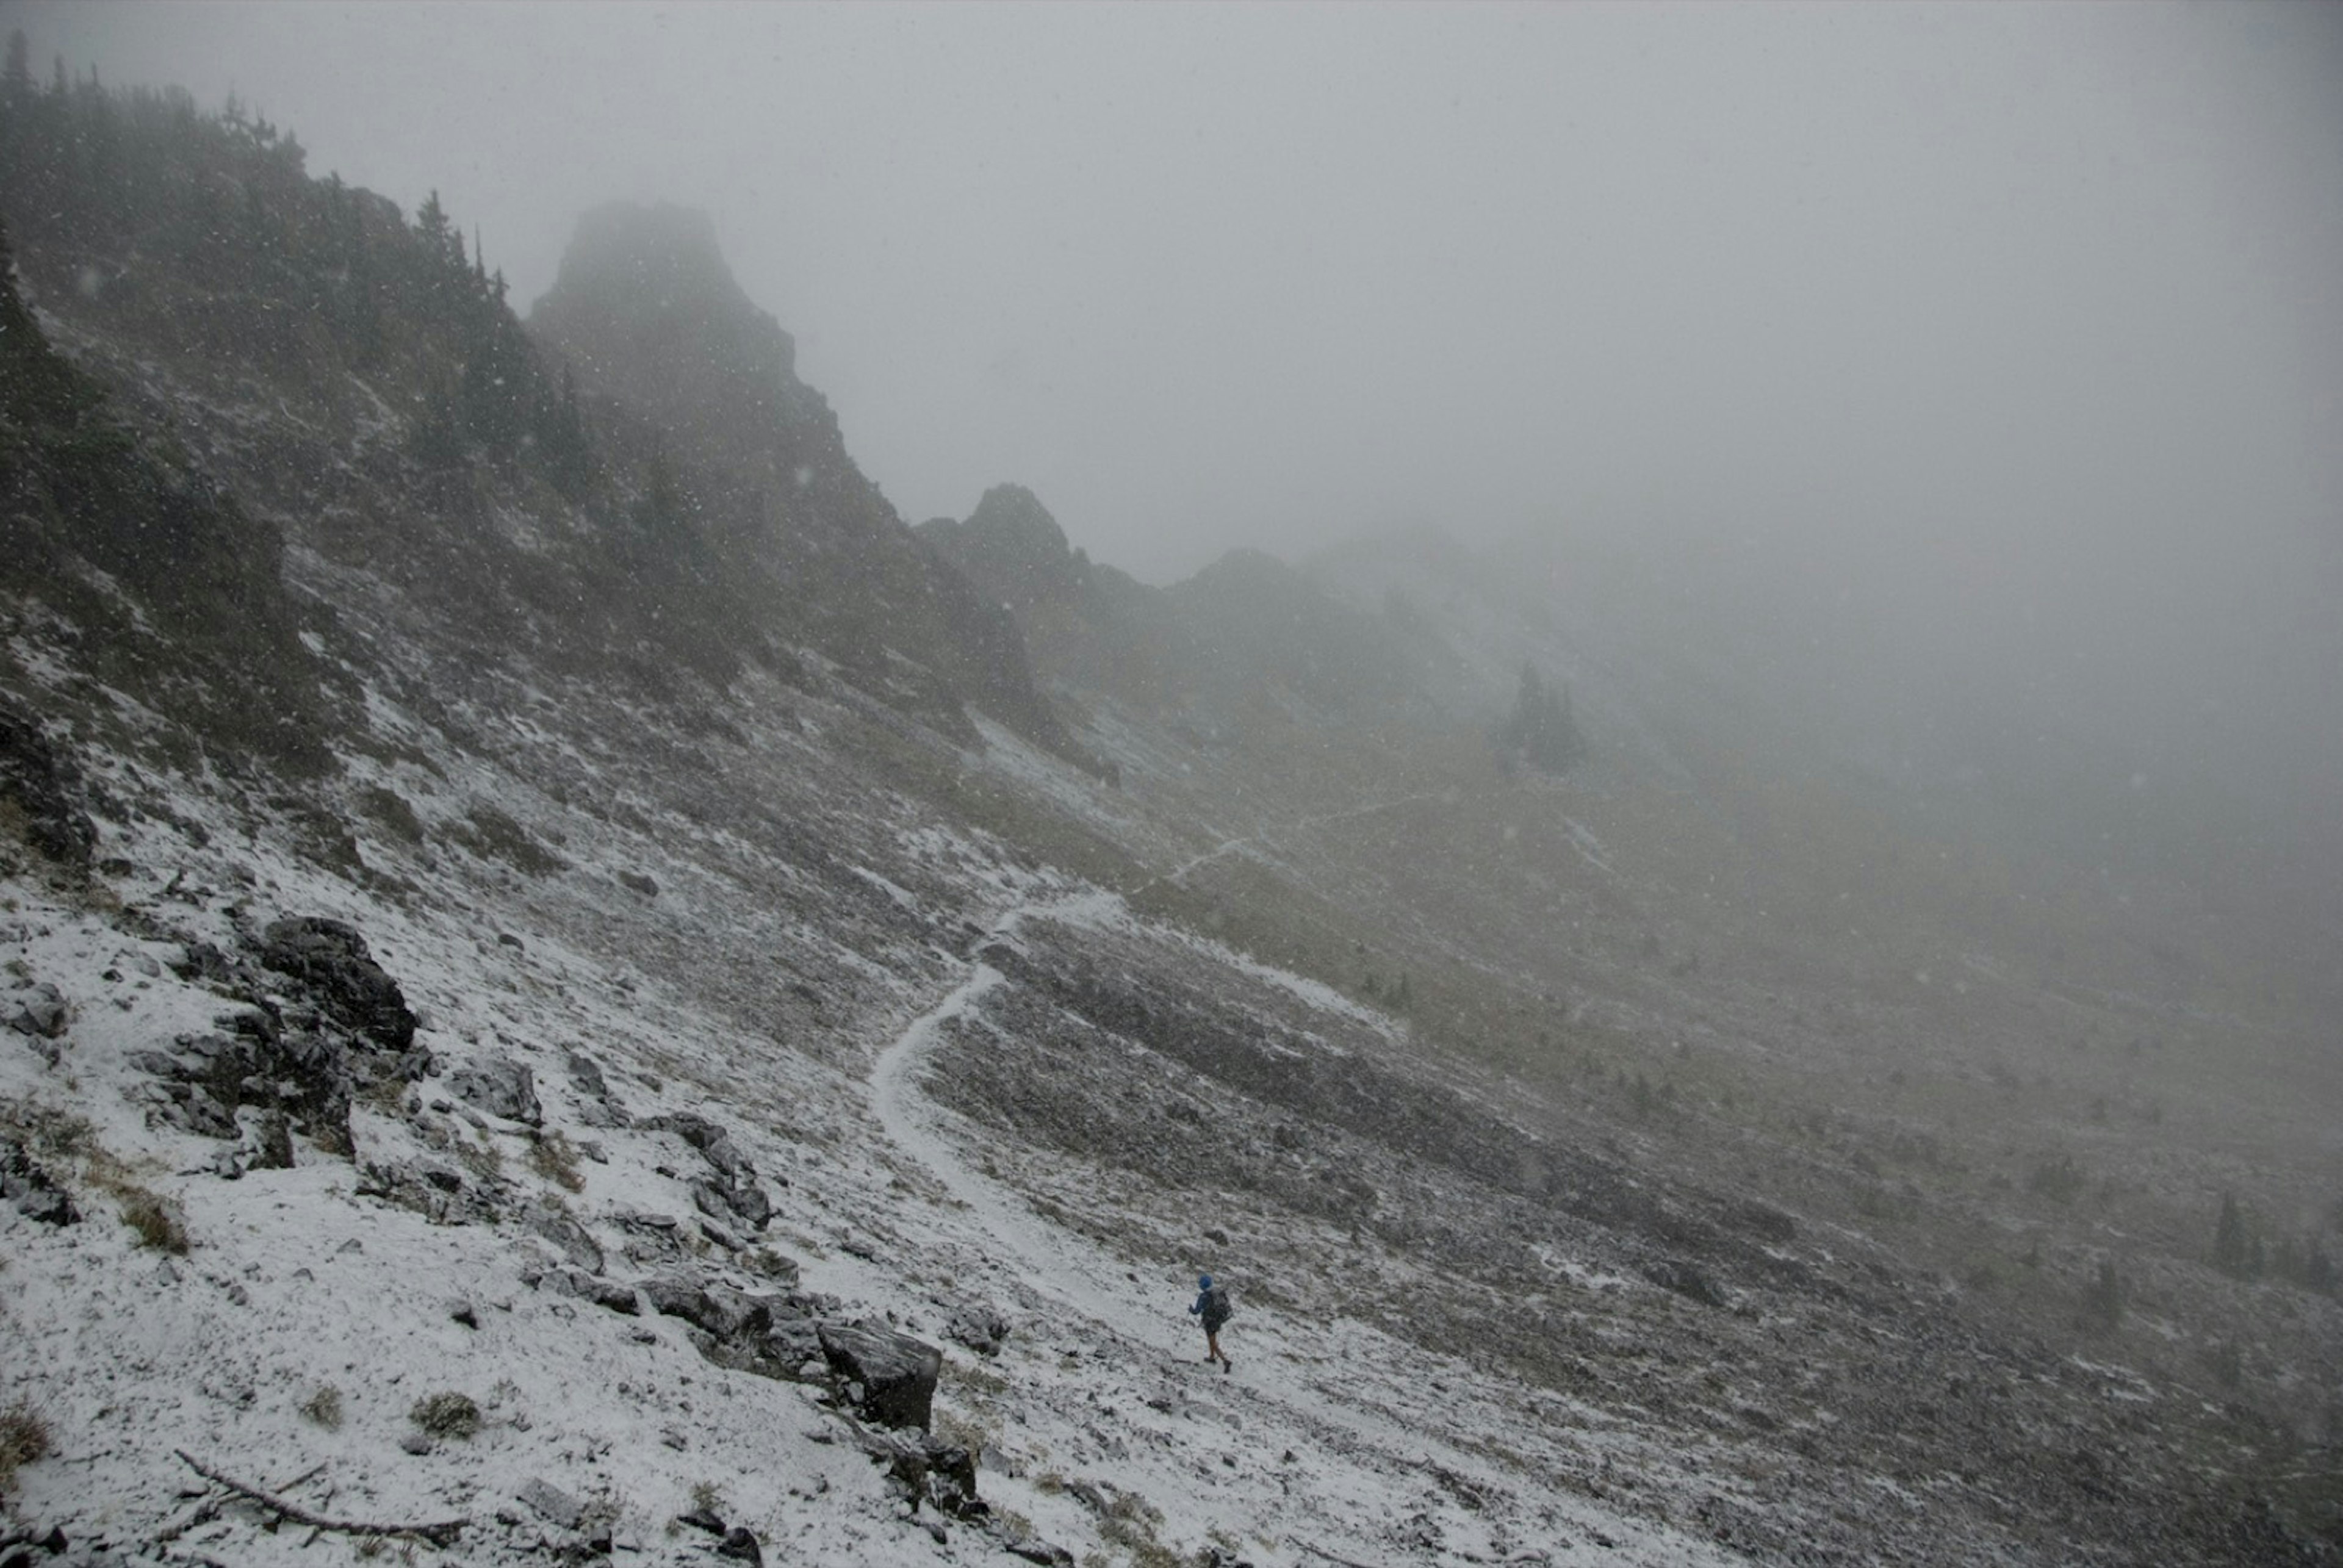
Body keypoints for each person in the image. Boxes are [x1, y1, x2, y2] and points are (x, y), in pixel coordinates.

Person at [1189, 1273, 1232, 1372]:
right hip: (1218, 1320)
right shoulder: (1217, 1292)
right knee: (1212, 1338)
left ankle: (1225, 1361)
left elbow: (1196, 1311)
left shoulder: (1204, 1296)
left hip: (1209, 1321)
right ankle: (1212, 1357)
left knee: (1212, 1342)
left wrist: (1191, 1309)